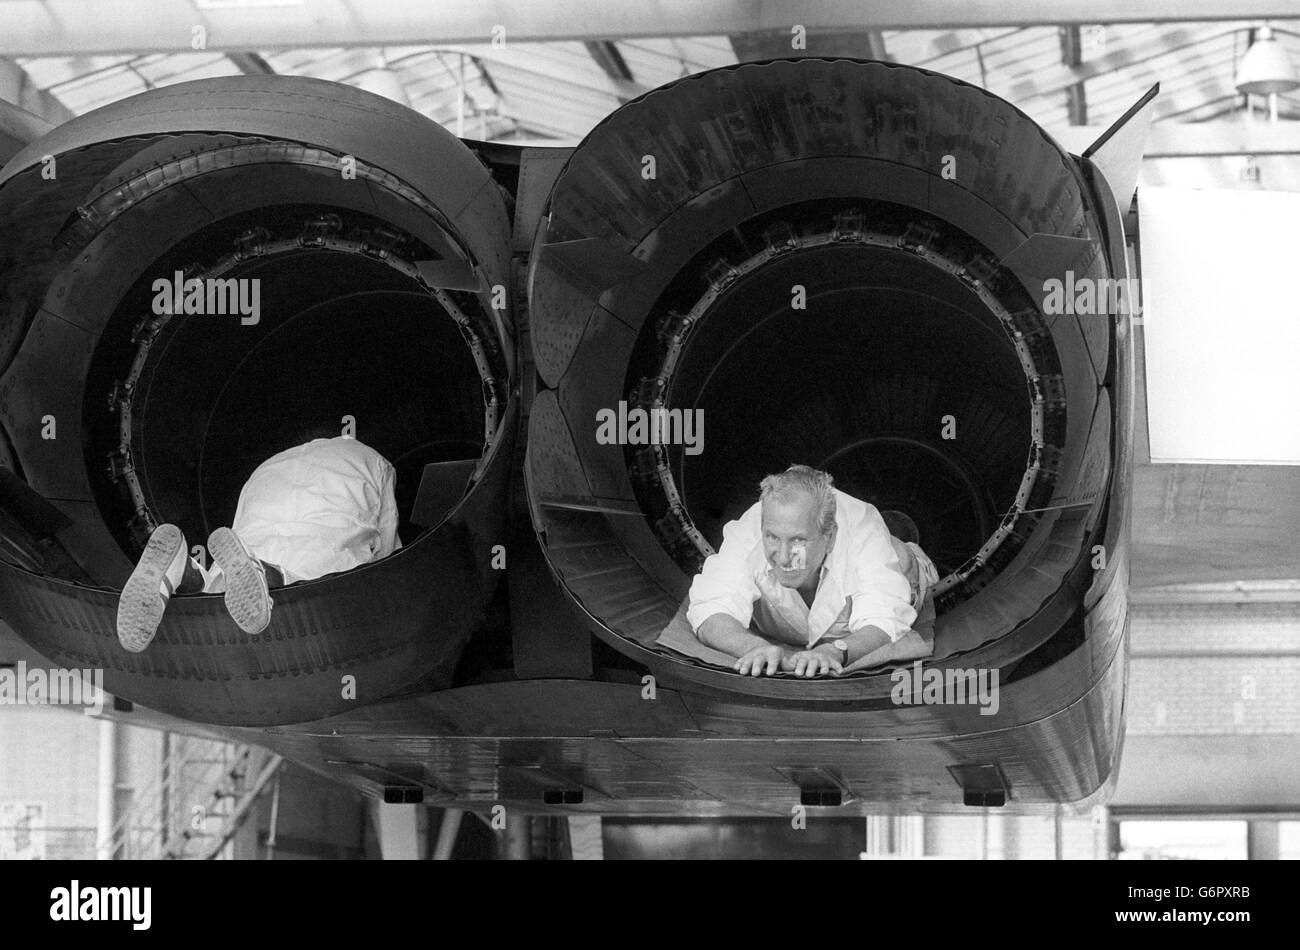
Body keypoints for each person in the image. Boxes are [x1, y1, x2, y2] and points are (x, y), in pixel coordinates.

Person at [116, 436, 401, 653]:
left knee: (232, 570)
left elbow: (242, 522)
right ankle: (264, 573)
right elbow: (390, 561)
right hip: (336, 500)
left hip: (266, 487)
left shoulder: (274, 463)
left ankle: (183, 572)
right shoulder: (374, 460)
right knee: (317, 579)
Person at [687, 464, 926, 678]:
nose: (783, 556)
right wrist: (751, 647)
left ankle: (903, 541)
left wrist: (836, 651)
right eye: (772, 537)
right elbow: (711, 606)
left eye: (798, 540)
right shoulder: (746, 532)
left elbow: (884, 618)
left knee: (901, 556)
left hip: (908, 571)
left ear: (829, 538)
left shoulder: (861, 529)